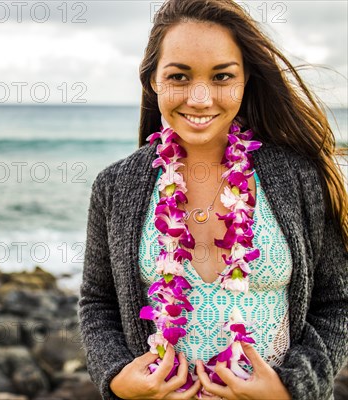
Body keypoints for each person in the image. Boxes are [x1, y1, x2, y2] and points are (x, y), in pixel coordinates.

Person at [77, 1, 348, 399]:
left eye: (222, 76)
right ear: (153, 80)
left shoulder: (298, 178)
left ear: (246, 80)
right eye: (179, 77)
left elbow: (337, 301)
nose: (200, 99)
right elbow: (97, 304)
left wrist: (290, 389)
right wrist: (117, 378)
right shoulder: (116, 187)